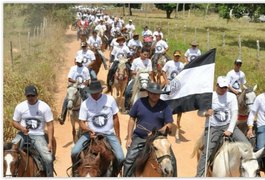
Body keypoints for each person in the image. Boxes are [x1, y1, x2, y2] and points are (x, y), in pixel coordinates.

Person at [195, 76, 251, 177]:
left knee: (248, 146)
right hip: (213, 127)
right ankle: (199, 175)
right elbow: (199, 112)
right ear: (216, 86)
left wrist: (230, 129)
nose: (223, 89)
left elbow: (234, 113)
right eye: (221, 87)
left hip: (229, 126)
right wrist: (206, 114)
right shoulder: (210, 96)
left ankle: (249, 172)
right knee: (206, 153)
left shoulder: (231, 96)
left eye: (225, 87)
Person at [71, 80, 124, 177]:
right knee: (74, 152)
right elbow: (81, 122)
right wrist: (88, 130)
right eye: (92, 93)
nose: (94, 94)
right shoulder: (85, 103)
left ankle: (114, 174)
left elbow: (115, 117)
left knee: (120, 157)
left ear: (100, 91)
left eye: (96, 92)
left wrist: (118, 135)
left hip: (108, 133)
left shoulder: (110, 99)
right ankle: (75, 173)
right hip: (90, 133)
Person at [123, 82, 177, 177]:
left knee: (172, 160)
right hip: (140, 137)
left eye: (157, 93)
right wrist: (129, 138)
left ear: (160, 94)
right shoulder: (140, 102)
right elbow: (132, 119)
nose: (155, 95)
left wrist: (158, 132)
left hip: (158, 139)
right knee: (129, 159)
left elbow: (169, 124)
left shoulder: (165, 105)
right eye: (152, 93)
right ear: (148, 92)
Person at [12, 85, 55, 177]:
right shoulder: (20, 107)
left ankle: (50, 176)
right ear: (25, 96)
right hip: (23, 134)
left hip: (38, 135)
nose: (31, 98)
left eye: (33, 95)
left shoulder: (44, 107)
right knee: (10, 150)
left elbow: (50, 125)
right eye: (28, 96)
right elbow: (14, 122)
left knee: (48, 158)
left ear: (37, 95)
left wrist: (50, 142)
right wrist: (22, 128)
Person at [58, 56, 91, 125]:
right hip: (73, 87)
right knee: (67, 99)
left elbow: (88, 80)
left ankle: (91, 116)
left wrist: (84, 83)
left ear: (82, 62)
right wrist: (76, 82)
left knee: (89, 98)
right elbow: (69, 79)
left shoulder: (85, 69)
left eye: (79, 62)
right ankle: (62, 116)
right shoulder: (73, 68)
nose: (78, 63)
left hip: (82, 87)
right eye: (77, 62)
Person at [124, 47, 154, 113]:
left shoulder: (149, 61)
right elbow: (132, 71)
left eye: (147, 55)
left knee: (155, 91)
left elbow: (151, 72)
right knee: (128, 91)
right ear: (140, 53)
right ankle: (127, 108)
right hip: (136, 78)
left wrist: (147, 73)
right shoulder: (135, 61)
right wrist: (138, 72)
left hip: (146, 78)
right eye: (144, 54)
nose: (146, 56)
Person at [162, 50, 185, 129]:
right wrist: (166, 80)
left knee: (182, 99)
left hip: (177, 84)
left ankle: (179, 118)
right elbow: (163, 71)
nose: (177, 57)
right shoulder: (169, 63)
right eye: (176, 56)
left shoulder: (182, 65)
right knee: (162, 93)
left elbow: (183, 75)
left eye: (178, 56)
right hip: (169, 81)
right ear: (173, 55)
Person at [247, 92, 265, 170]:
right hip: (262, 126)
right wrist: (250, 128)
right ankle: (255, 170)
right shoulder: (260, 98)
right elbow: (252, 113)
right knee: (260, 149)